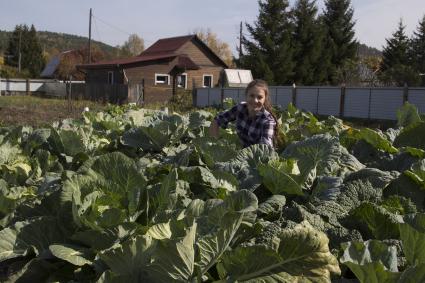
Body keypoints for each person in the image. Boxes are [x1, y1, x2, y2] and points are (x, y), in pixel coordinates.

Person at [209, 79, 278, 148]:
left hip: (257, 157)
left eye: (259, 97)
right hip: (242, 154)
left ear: (265, 99)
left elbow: (265, 148)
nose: (255, 100)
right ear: (246, 95)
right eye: (252, 96)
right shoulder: (240, 108)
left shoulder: (268, 121)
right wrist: (215, 144)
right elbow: (217, 120)